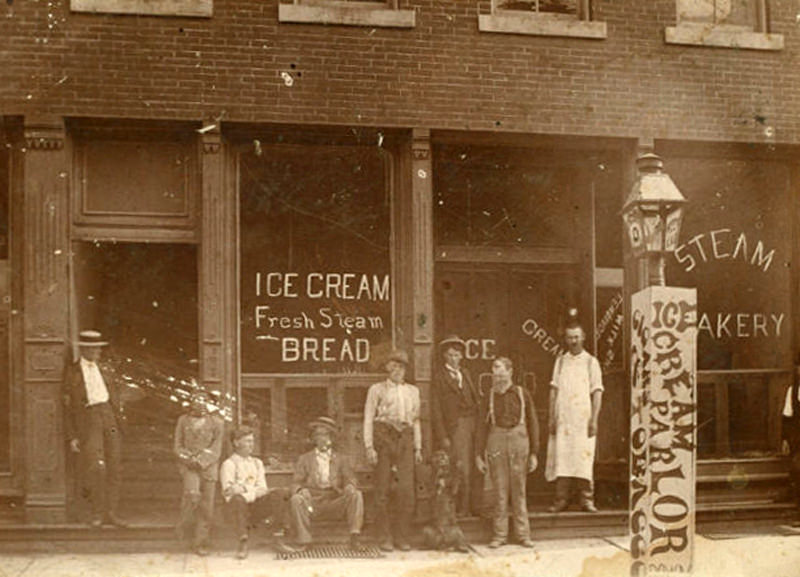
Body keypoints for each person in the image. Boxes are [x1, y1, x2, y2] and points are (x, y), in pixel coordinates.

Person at [63, 330, 128, 528]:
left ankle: (111, 513)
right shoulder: (72, 372)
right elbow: (66, 407)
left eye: (99, 348)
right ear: (84, 349)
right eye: (94, 348)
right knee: (96, 467)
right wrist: (72, 435)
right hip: (88, 420)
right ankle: (97, 513)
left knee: (115, 466)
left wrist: (119, 420)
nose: (98, 352)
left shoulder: (107, 369)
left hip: (109, 416)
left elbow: (116, 396)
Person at [475, 357, 539, 549]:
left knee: (519, 491)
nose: (498, 375)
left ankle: (523, 535)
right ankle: (500, 535)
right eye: (495, 370)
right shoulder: (489, 396)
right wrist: (478, 454)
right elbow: (481, 426)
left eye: (501, 370)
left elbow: (533, 423)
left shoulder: (522, 393)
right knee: (500, 491)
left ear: (510, 372)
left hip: (519, 442)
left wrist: (534, 453)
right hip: (496, 442)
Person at [363, 349, 422, 552]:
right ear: (387, 368)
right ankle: (384, 537)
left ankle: (402, 536)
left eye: (401, 366)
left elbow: (415, 421)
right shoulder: (377, 390)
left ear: (406, 369)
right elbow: (369, 418)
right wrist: (369, 446)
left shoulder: (413, 391)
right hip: (383, 437)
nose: (397, 370)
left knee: (406, 490)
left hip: (405, 439)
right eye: (394, 366)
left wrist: (418, 447)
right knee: (382, 489)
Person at [545, 322, 603, 513]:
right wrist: (552, 417)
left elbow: (597, 392)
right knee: (563, 457)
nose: (573, 341)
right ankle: (561, 499)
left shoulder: (590, 362)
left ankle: (586, 499)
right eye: (570, 337)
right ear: (566, 339)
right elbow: (554, 390)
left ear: (583, 337)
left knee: (583, 458)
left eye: (576, 337)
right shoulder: (561, 361)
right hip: (563, 419)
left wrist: (594, 419)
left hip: (582, 420)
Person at [288, 416, 364, 551]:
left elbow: (350, 478)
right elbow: (295, 483)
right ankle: (305, 541)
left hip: (334, 500)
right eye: (318, 434)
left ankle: (354, 537)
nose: (322, 438)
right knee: (296, 499)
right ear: (314, 439)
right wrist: (300, 490)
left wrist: (350, 486)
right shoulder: (305, 459)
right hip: (313, 502)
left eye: (326, 434)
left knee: (356, 495)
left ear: (332, 438)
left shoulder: (341, 459)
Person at [431, 334, 481, 517]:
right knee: (461, 467)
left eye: (457, 355)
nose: (454, 358)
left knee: (475, 464)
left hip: (472, 424)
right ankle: (462, 508)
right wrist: (443, 435)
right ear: (445, 356)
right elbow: (436, 410)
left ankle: (475, 505)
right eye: (451, 355)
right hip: (456, 426)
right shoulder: (440, 377)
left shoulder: (465, 374)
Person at [173, 390, 224, 556]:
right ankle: (183, 534)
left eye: (204, 400)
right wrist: (189, 460)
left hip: (209, 468)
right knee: (191, 498)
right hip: (188, 467)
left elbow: (216, 448)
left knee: (207, 505)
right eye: (195, 399)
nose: (199, 403)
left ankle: (201, 541)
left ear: (210, 403)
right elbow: (177, 446)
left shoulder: (217, 423)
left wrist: (202, 461)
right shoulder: (183, 420)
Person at [220, 426, 283, 559]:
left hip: (254, 508)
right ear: (236, 443)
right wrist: (252, 491)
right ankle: (243, 543)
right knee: (237, 500)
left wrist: (244, 489)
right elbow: (228, 492)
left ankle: (278, 538)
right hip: (235, 509)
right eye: (247, 441)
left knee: (277, 494)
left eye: (252, 441)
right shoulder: (229, 464)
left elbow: (263, 489)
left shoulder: (257, 463)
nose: (251, 445)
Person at [781, 368, 800, 526]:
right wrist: (786, 439)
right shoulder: (792, 391)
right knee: (797, 469)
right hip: (798, 437)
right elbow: (787, 417)